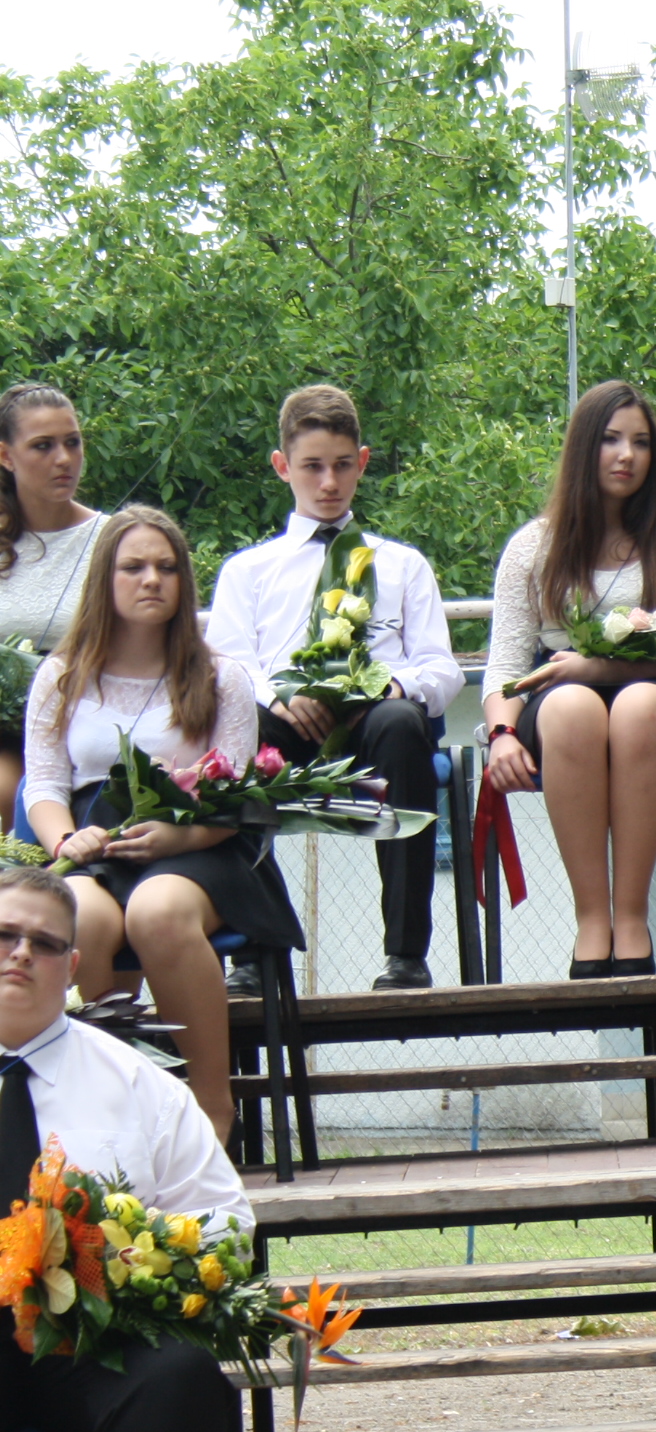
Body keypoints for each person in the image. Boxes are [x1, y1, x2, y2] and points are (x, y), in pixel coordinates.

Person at [0, 864, 247, 1432]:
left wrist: (139, 1263)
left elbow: (224, 1219)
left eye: (44, 943)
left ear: (73, 966)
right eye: (4, 936)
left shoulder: (135, 1082)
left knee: (178, 1381)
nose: (20, 955)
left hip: (87, 1340)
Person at [27, 508, 296, 1143]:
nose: (152, 579)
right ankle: (104, 1122)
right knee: (81, 919)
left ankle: (210, 1113)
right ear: (105, 579)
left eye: (166, 567)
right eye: (134, 567)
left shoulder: (220, 676)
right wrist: (66, 840)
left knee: (156, 913)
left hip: (203, 844)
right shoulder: (62, 674)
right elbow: (44, 785)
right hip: (97, 843)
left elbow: (236, 796)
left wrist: (183, 837)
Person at [203, 386, 459, 991]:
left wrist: (387, 687)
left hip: (374, 731)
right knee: (237, 737)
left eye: (343, 465)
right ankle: (255, 954)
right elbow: (227, 667)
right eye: (312, 466)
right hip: (284, 728)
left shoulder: (402, 564)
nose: (328, 483)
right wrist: (278, 699)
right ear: (282, 466)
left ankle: (406, 956)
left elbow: (442, 670)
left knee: (403, 722)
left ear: (362, 462)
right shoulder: (247, 570)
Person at [478, 380, 656, 979]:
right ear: (584, 448)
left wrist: (597, 667)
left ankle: (632, 919)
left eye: (641, 443)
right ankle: (592, 921)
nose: (626, 455)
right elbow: (506, 665)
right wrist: (502, 735)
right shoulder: (532, 547)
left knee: (637, 705)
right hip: (561, 705)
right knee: (571, 707)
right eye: (611, 440)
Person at [0, 384, 108, 822]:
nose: (63, 458)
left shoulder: (115, 539)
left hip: (93, 722)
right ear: (6, 456)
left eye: (72, 442)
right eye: (43, 446)